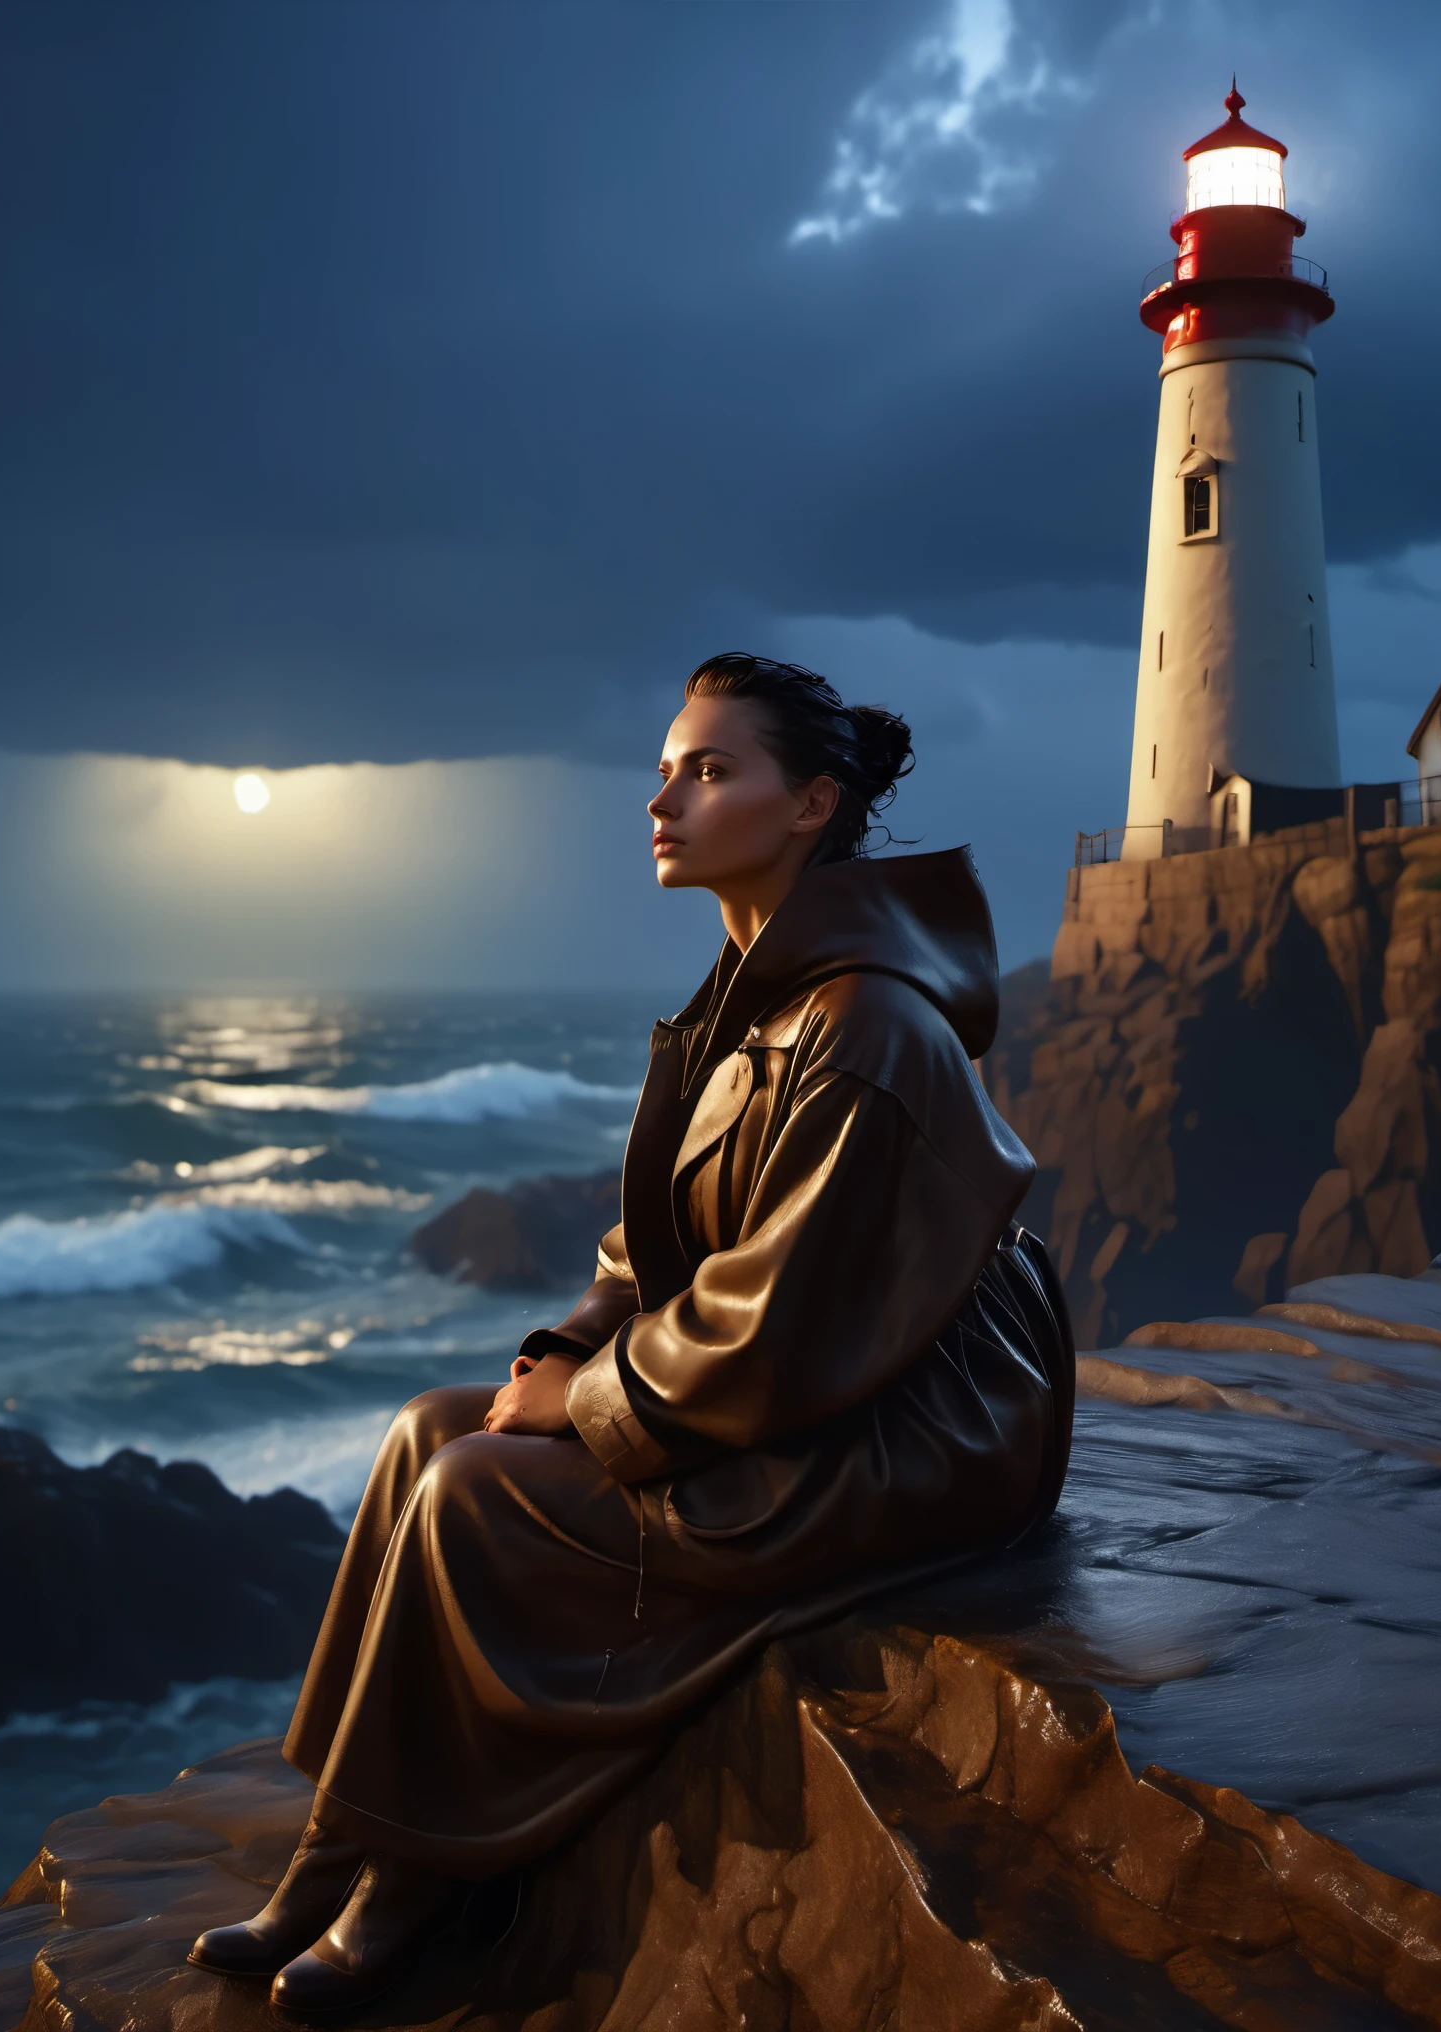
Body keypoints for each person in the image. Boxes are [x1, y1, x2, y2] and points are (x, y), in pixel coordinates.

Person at [189, 652, 1074, 2014]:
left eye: (711, 770)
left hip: (919, 1417)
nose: (663, 796)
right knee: (428, 1432)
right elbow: (653, 1243)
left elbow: (780, 1327)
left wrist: (592, 1402)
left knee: (480, 1493)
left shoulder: (866, 1024)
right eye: (666, 766)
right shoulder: (748, 997)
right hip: (819, 1367)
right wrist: (570, 1349)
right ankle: (345, 1840)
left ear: (808, 807)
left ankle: (417, 1878)